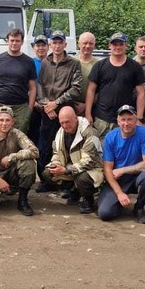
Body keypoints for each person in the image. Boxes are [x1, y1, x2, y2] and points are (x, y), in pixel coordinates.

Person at [36, 30, 82, 196]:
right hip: (47, 113)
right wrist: (46, 105)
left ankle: (67, 183)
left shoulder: (73, 64)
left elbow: (76, 89)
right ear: (50, 45)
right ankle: (46, 180)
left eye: (59, 42)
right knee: (44, 147)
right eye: (54, 42)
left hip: (66, 111)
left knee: (67, 147)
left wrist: (56, 103)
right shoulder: (45, 63)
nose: (56, 45)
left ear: (65, 44)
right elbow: (39, 87)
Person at [96, 105, 145, 223]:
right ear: (118, 121)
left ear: (135, 120)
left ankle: (139, 207)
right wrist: (119, 193)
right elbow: (108, 169)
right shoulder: (110, 137)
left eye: (130, 119)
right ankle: (117, 200)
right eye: (123, 120)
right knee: (105, 214)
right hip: (117, 179)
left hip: (136, 177)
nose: (126, 123)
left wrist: (123, 170)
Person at [40, 106, 104, 214]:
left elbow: (89, 161)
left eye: (67, 122)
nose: (65, 125)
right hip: (72, 165)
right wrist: (55, 165)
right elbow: (56, 153)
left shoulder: (90, 133)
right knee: (47, 173)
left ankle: (88, 199)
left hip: (93, 168)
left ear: (76, 118)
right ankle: (74, 190)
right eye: (62, 123)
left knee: (82, 178)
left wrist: (66, 170)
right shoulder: (60, 132)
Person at [84, 32, 145, 138]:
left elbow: (141, 93)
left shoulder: (135, 66)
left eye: (121, 44)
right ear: (109, 46)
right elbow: (91, 90)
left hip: (125, 119)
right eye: (115, 44)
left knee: (124, 152)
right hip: (101, 119)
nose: (118, 47)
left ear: (126, 46)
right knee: (102, 152)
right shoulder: (99, 66)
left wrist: (139, 117)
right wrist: (87, 113)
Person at [0, 106, 39, 216]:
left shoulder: (17, 134)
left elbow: (34, 151)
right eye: (1, 120)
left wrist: (12, 157)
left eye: (7, 120)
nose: (4, 123)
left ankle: (22, 200)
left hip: (13, 173)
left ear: (12, 122)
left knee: (28, 163)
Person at [0, 28, 37, 135]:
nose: (14, 43)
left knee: (18, 138)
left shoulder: (29, 62)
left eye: (17, 41)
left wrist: (29, 110)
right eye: (12, 40)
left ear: (22, 42)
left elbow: (32, 88)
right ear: (7, 41)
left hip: (20, 108)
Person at [28, 34, 49, 145]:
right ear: (34, 47)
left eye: (43, 45)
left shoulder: (53, 63)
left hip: (50, 107)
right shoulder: (28, 63)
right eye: (38, 45)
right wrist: (34, 103)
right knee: (32, 136)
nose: (41, 48)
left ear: (48, 47)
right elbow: (25, 85)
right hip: (34, 106)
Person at [73, 32, 99, 116]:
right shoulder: (70, 62)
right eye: (85, 43)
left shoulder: (99, 65)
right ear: (79, 44)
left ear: (94, 45)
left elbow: (102, 90)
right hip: (70, 107)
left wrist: (86, 106)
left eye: (90, 43)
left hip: (92, 109)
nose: (87, 46)